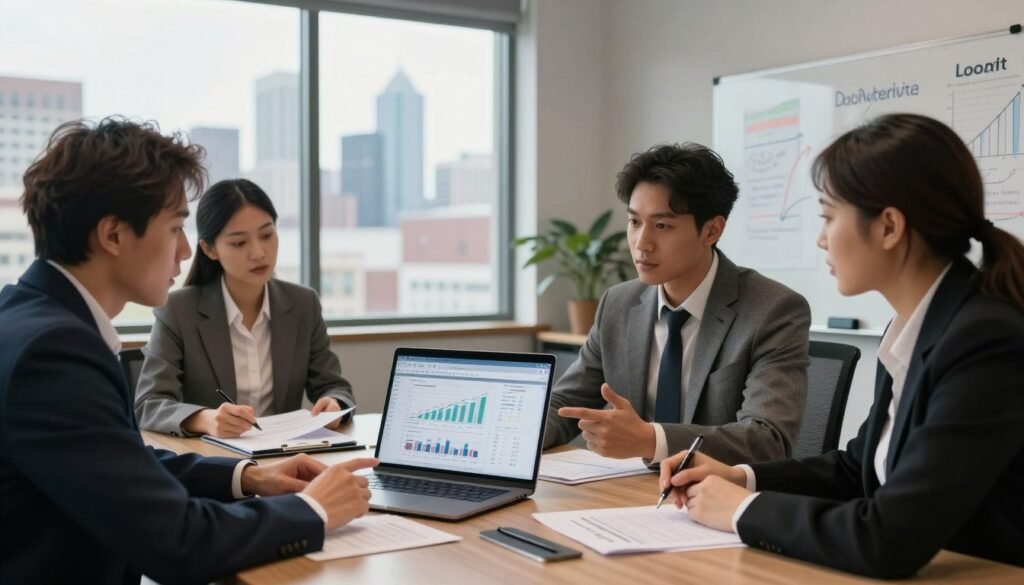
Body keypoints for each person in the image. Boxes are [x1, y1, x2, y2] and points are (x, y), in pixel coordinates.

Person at [0, 117, 377, 584]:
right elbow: (179, 541)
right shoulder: (54, 353)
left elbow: (120, 463)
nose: (183, 251)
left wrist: (247, 477)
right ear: (114, 235)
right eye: (175, 227)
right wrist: (313, 509)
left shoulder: (29, 316)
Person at [659, 113, 1024, 578]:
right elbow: (857, 470)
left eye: (829, 217)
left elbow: (889, 538)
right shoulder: (920, 325)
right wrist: (741, 476)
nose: (820, 237)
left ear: (889, 227)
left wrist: (742, 510)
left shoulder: (984, 341)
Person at [545, 143, 811, 464]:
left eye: (662, 226)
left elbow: (767, 438)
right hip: (628, 493)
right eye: (634, 222)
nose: (642, 244)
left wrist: (650, 440)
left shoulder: (772, 310)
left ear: (712, 230)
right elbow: (564, 403)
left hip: (716, 497)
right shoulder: (618, 303)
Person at [135, 178, 355, 437]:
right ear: (209, 249)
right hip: (214, 462)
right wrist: (205, 419)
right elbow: (149, 404)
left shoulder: (303, 304)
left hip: (287, 457)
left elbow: (334, 386)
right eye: (239, 243)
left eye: (266, 235)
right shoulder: (178, 310)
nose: (259, 252)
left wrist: (334, 404)